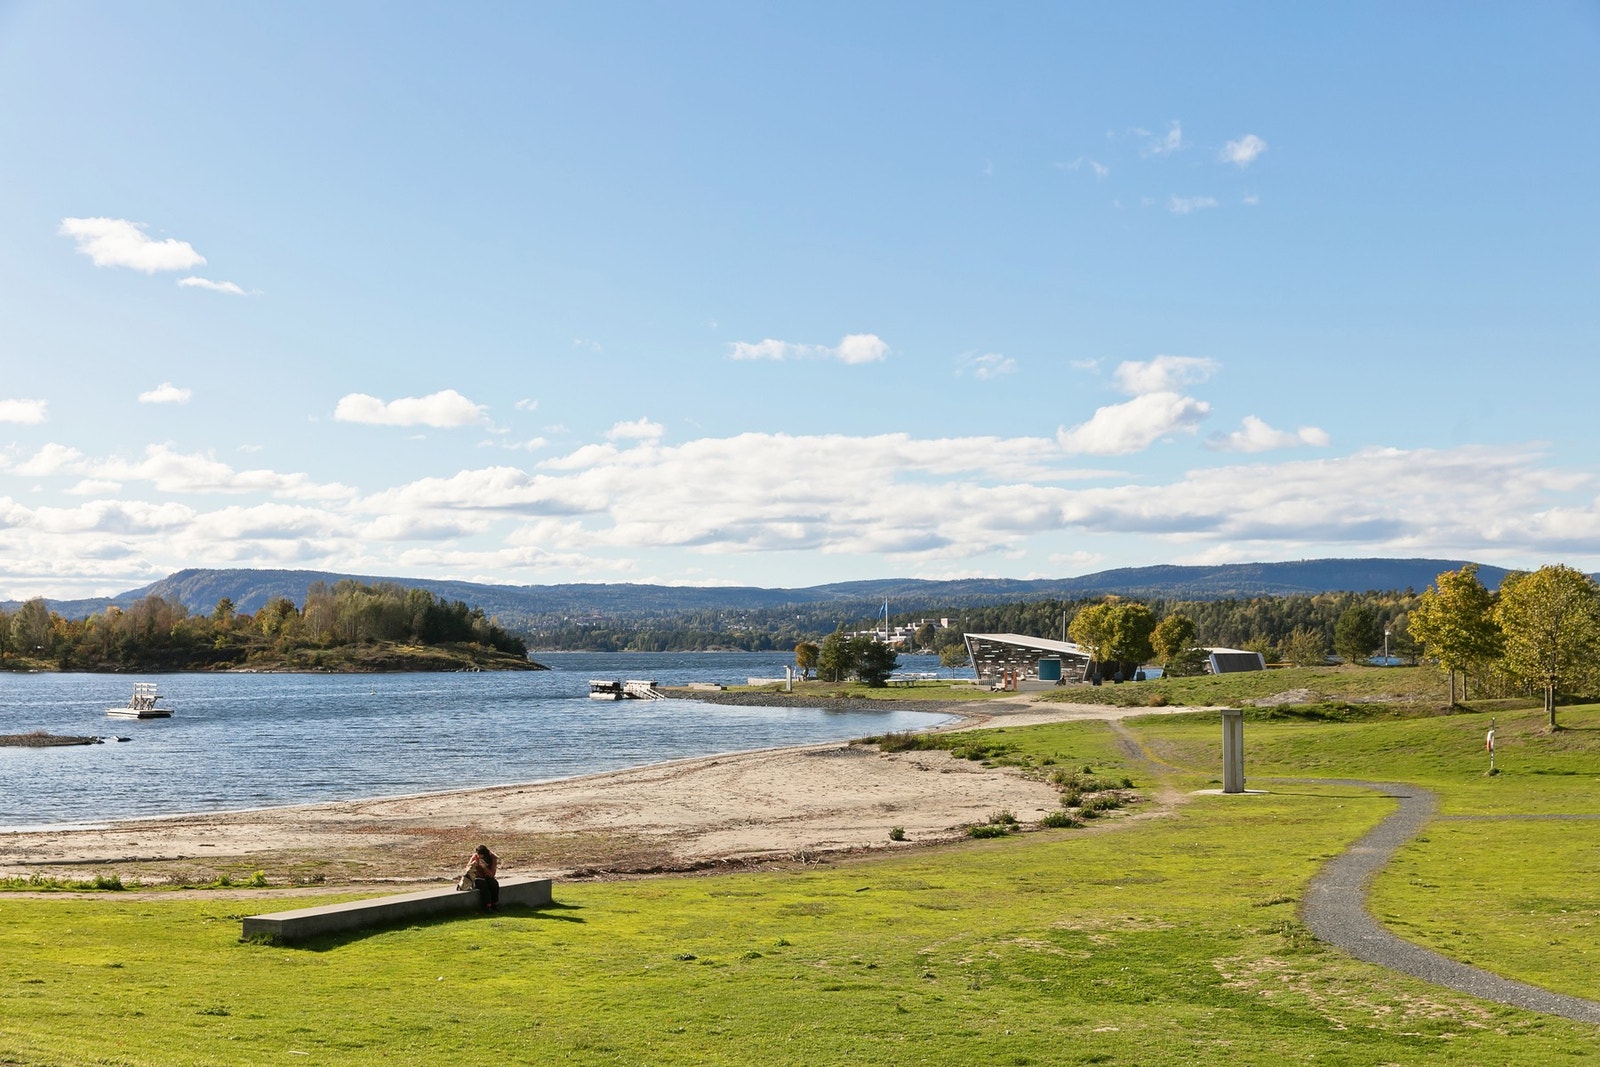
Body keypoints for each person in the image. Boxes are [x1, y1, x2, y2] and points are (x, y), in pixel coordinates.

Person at [466, 844, 500, 910]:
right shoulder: (475, 856)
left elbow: (492, 874)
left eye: (480, 855)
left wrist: (485, 868)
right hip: (477, 878)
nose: (478, 856)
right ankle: (487, 905)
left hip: (487, 876)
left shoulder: (492, 858)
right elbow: (467, 868)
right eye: (478, 854)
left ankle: (495, 903)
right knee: (483, 885)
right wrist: (473, 864)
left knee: (494, 883)